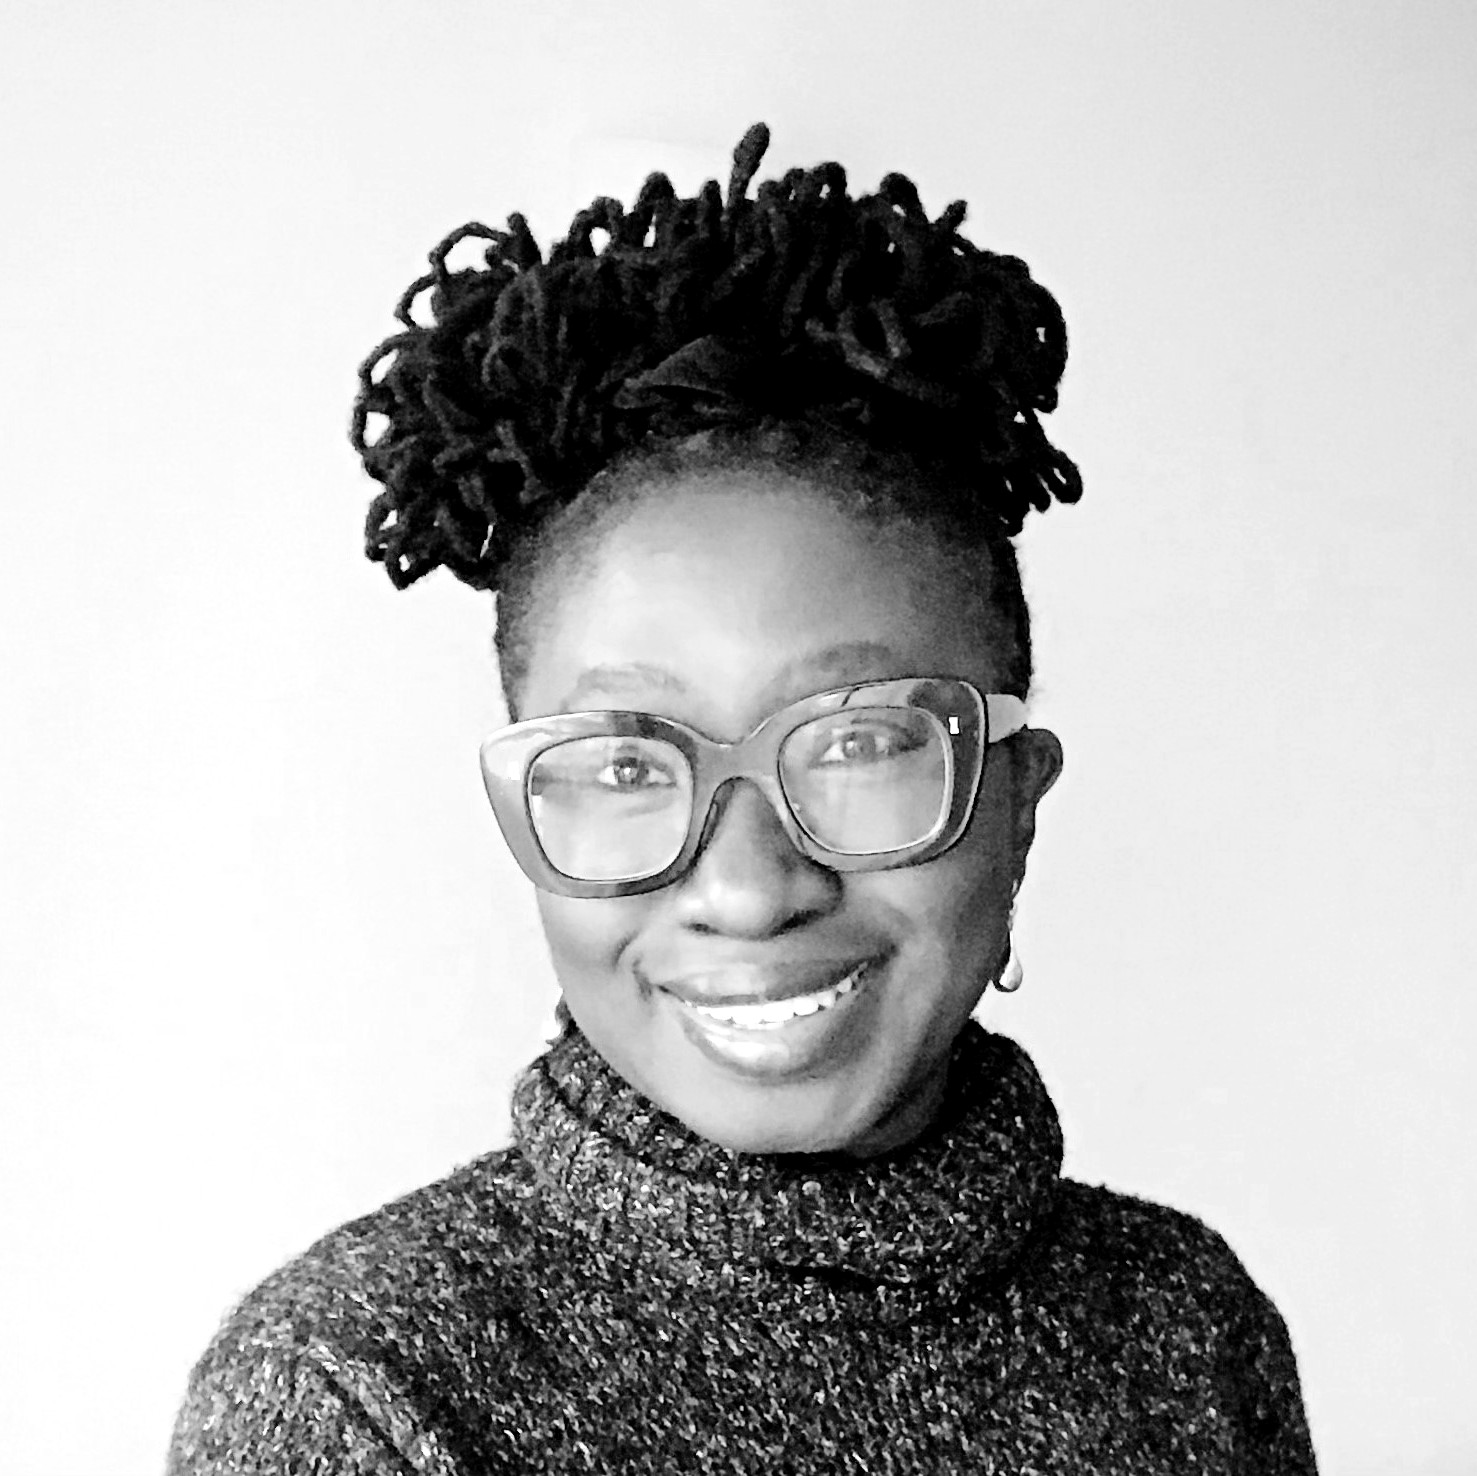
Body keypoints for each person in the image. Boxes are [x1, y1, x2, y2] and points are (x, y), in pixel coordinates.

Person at [167, 124, 1318, 1473]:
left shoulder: (1182, 1325)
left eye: (857, 742)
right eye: (622, 765)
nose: (747, 886)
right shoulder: (363, 1390)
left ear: (1016, 804)